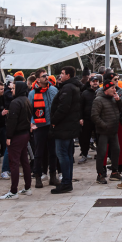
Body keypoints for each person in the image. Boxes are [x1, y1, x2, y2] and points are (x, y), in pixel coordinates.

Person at [49, 66, 82, 194]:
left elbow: (63, 107)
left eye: (62, 73)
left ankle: (66, 182)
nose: (60, 75)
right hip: (69, 126)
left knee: (62, 154)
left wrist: (54, 120)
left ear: (68, 75)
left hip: (64, 127)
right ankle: (67, 181)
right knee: (67, 155)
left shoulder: (68, 88)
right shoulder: (73, 87)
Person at [0, 80, 33, 199]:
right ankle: (27, 187)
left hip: (17, 135)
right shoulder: (26, 100)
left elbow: (12, 122)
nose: (11, 90)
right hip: (24, 134)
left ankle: (14, 191)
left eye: (13, 88)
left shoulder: (15, 102)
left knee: (14, 163)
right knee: (24, 161)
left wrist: (9, 137)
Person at [28, 72, 58, 189]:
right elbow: (30, 110)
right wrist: (32, 123)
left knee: (53, 152)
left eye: (47, 75)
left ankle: (53, 176)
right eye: (43, 76)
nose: (46, 77)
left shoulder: (53, 90)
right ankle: (38, 177)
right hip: (39, 126)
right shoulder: (32, 93)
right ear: (37, 79)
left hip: (52, 124)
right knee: (39, 153)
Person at [92, 80, 121, 184]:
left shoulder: (114, 99)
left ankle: (114, 171)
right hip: (104, 131)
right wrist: (105, 126)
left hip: (113, 130)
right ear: (106, 90)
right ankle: (100, 174)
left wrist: (119, 101)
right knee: (102, 153)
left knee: (116, 150)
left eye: (115, 88)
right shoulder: (98, 100)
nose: (115, 90)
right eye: (112, 88)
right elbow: (94, 116)